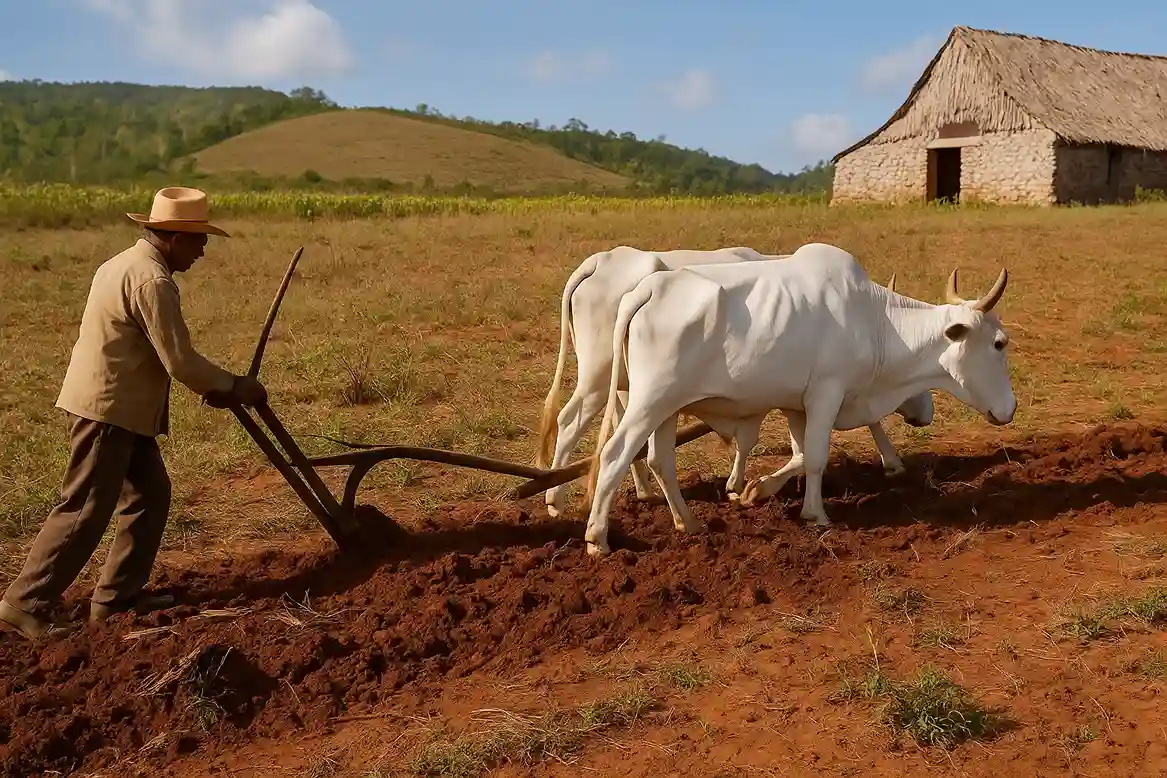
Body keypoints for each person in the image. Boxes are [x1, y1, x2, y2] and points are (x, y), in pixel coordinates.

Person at [0, 186, 267, 640]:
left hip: (122, 407)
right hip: (107, 409)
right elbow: (180, 361)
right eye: (198, 239)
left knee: (150, 493)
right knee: (85, 506)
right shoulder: (152, 281)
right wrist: (232, 385)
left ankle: (117, 597)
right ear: (173, 236)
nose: (202, 250)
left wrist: (221, 388)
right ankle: (25, 603)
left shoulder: (122, 263)